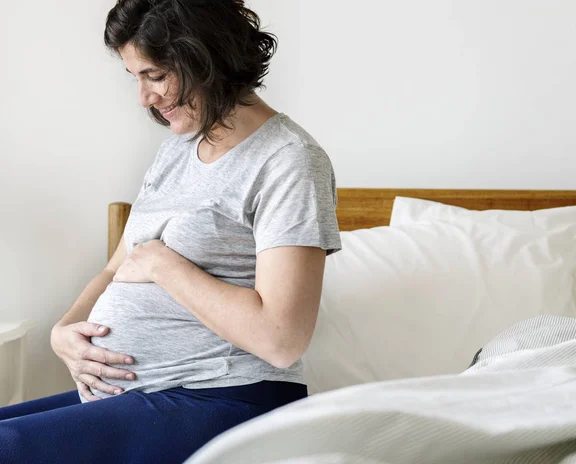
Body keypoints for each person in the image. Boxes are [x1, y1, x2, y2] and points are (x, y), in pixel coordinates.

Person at [0, 1, 342, 462]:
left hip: (224, 397)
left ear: (206, 57)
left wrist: (167, 266)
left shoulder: (290, 160)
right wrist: (65, 329)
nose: (144, 97)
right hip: (140, 396)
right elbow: (118, 267)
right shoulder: (177, 150)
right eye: (135, 77)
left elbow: (283, 339)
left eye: (156, 75)